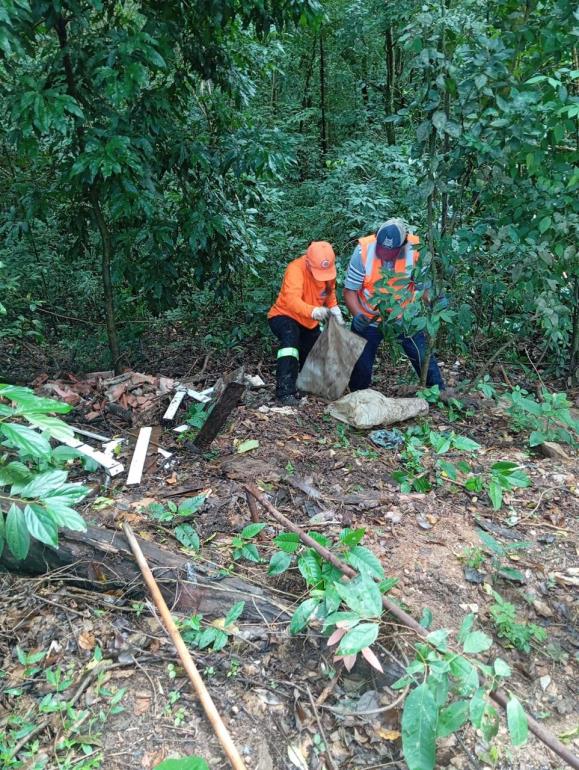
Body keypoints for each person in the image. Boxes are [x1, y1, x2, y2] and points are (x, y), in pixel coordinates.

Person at [343, 218, 446, 391]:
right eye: (382, 249)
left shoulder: (415, 252)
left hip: (404, 316)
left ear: (402, 246)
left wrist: (436, 302)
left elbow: (424, 289)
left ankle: (439, 393)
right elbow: (349, 291)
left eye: (391, 252)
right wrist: (358, 314)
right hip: (369, 316)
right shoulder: (363, 251)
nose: (385, 254)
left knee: (421, 355)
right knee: (360, 365)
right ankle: (357, 396)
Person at [268, 241, 344, 405]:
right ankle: (284, 392)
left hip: (309, 322)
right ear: (308, 262)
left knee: (315, 351)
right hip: (284, 315)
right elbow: (291, 300)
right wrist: (314, 311)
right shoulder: (295, 269)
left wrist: (335, 310)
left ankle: (306, 387)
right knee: (290, 340)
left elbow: (329, 294)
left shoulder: (328, 271)